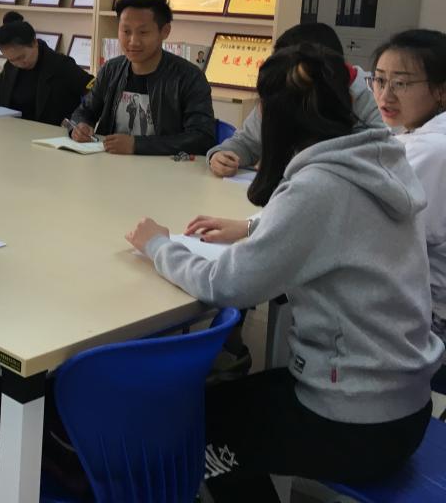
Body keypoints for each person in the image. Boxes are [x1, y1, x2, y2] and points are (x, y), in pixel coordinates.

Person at [125, 43, 442, 502]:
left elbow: (226, 284)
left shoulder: (317, 187)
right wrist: (257, 227)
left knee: (192, 430)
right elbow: (335, 222)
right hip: (402, 402)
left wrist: (158, 245)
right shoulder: (379, 154)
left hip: (355, 422)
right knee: (221, 401)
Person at [208, 22, 383, 177]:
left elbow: (374, 161)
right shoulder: (284, 90)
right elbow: (248, 141)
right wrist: (220, 156)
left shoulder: (377, 99)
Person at [371, 29, 446, 348]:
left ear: (441, 90)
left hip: (431, 318)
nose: (385, 96)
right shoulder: (415, 134)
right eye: (379, 80)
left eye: (400, 83)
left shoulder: (431, 149)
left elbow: (362, 224)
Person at [69, 0, 214, 155]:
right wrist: (80, 126)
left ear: (165, 31)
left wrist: (137, 145)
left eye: (143, 32)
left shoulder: (189, 77)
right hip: (109, 162)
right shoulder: (111, 70)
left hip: (165, 167)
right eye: (126, 31)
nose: (133, 41)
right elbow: (84, 112)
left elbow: (202, 138)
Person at [0, 12, 91, 125]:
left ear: (34, 42)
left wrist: (81, 120)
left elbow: (94, 91)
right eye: (12, 60)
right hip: (14, 131)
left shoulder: (61, 65)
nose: (18, 63)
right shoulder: (11, 66)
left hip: (51, 134)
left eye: (22, 57)